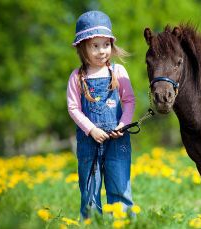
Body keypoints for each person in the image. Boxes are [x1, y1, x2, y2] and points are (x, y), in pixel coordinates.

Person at [66, 10, 136, 218]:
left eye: (105, 45)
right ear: (82, 48)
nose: (101, 51)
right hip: (89, 142)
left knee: (120, 188)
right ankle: (91, 223)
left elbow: (129, 101)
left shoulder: (119, 72)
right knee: (89, 191)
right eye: (94, 46)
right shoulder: (77, 78)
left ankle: (122, 223)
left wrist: (122, 125)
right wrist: (92, 129)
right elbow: (73, 108)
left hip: (118, 140)